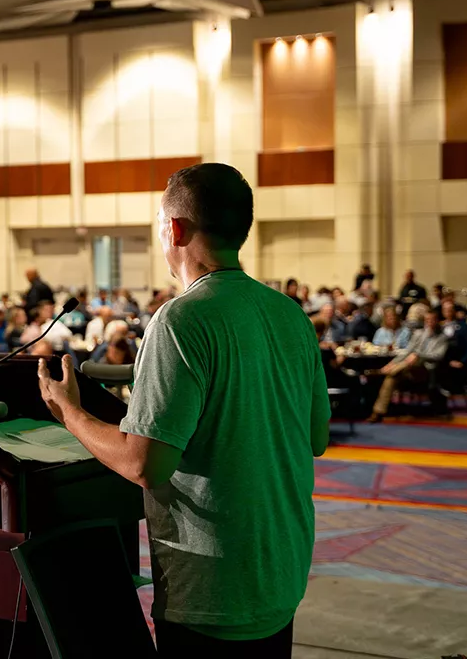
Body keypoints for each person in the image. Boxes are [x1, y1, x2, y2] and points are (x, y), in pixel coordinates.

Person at [38, 163, 327, 656]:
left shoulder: (182, 320)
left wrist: (70, 412)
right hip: (280, 564)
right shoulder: (288, 313)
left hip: (213, 585)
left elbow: (143, 463)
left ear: (173, 228)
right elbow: (315, 436)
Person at [368, 310, 449, 422]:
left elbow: (438, 356)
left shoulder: (442, 337)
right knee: (391, 378)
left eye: (432, 320)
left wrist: (418, 355)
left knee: (415, 358)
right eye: (427, 320)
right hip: (408, 368)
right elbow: (407, 352)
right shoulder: (418, 333)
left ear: (437, 321)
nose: (429, 322)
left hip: (427, 371)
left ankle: (382, 372)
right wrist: (392, 363)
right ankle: (378, 412)